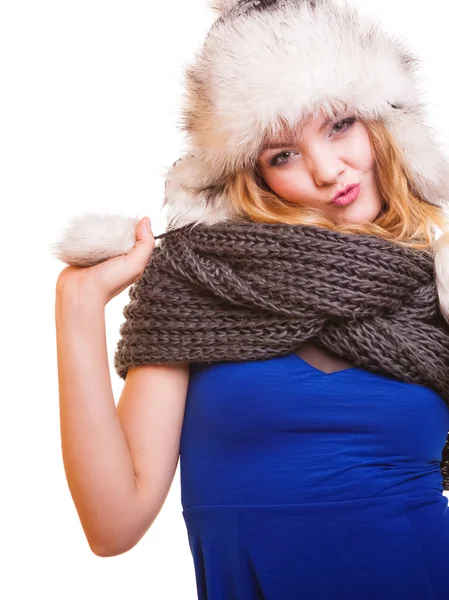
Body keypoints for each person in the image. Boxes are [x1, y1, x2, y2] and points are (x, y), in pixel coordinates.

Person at [53, 0, 449, 597]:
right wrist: (78, 308)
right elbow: (114, 526)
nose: (326, 170)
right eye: (282, 153)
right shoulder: (195, 284)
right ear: (253, 174)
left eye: (339, 124)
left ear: (385, 124)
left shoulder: (434, 284)